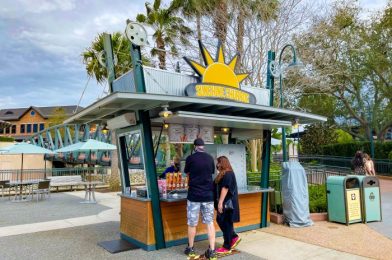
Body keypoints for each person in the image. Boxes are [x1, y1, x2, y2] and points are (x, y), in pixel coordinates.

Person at [183, 138, 216, 260]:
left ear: (194, 147)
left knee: (192, 223)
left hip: (194, 196)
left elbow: (187, 174)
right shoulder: (209, 158)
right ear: (203, 146)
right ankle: (212, 251)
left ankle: (190, 249)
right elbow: (211, 173)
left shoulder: (190, 158)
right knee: (210, 222)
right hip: (208, 196)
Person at [214, 156, 241, 255]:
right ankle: (233, 237)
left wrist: (220, 202)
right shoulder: (223, 173)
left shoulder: (228, 174)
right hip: (224, 203)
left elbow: (225, 188)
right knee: (222, 221)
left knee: (225, 222)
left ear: (223, 163)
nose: (217, 165)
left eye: (218, 163)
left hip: (226, 203)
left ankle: (227, 246)